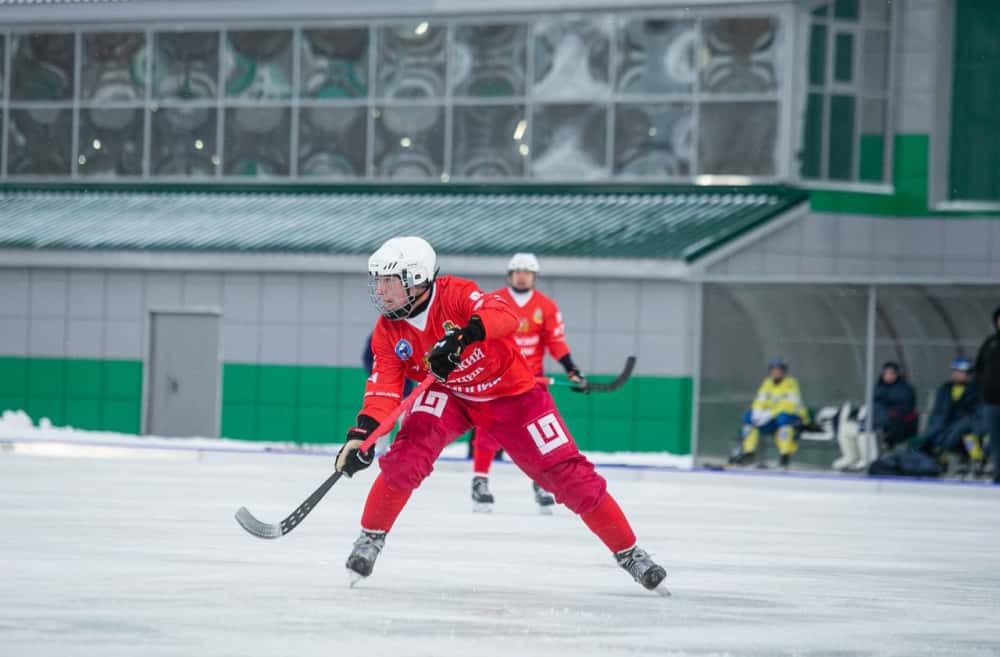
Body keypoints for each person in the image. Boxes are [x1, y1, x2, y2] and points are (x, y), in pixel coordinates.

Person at [333, 236, 668, 594]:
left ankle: (630, 552)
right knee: (405, 457)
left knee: (568, 475)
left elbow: (504, 315)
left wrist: (464, 337)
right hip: (451, 395)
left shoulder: (457, 293)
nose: (381, 291)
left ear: (418, 281)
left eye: (390, 282)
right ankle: (370, 538)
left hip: (513, 396)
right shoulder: (387, 332)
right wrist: (363, 435)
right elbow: (383, 389)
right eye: (378, 281)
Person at [468, 253, 588, 513]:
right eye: (517, 271)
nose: (522, 276)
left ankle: (542, 482)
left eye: (527, 272)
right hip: (497, 380)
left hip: (531, 382)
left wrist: (571, 369)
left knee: (541, 435)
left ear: (534, 276)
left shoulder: (546, 306)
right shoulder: (493, 302)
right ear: (510, 275)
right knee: (489, 430)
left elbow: (556, 342)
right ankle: (480, 481)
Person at [729, 358, 809, 468]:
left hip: (793, 419)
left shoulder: (791, 383)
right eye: (773, 370)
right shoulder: (767, 383)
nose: (776, 372)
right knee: (749, 419)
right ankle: (749, 454)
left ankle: (784, 456)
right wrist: (757, 413)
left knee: (783, 420)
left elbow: (789, 405)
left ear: (784, 371)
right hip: (770, 419)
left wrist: (770, 413)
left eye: (779, 370)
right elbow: (759, 401)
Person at [916, 357, 982, 475]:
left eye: (960, 372)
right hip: (947, 426)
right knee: (940, 436)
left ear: (969, 374)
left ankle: (977, 460)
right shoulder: (945, 389)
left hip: (968, 427)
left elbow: (977, 414)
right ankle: (940, 463)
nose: (956, 375)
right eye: (955, 371)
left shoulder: (976, 390)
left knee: (968, 437)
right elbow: (938, 411)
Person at [363, 332, 413, 456]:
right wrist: (377, 374)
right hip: (385, 390)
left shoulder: (408, 334)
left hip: (405, 391)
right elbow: (367, 358)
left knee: (406, 423)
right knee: (383, 421)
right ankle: (380, 449)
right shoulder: (377, 336)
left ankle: (404, 450)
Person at [973, 306, 1000, 484]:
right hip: (991, 401)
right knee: (995, 440)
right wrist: (983, 387)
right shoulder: (990, 343)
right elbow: (979, 367)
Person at [871, 361, 919, 452]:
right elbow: (875, 403)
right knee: (855, 426)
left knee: (890, 426)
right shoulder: (879, 387)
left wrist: (890, 413)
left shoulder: (905, 389)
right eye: (886, 373)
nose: (888, 376)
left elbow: (907, 408)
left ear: (896, 374)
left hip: (899, 421)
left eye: (891, 373)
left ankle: (886, 447)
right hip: (879, 417)